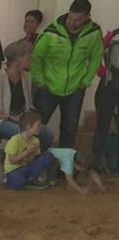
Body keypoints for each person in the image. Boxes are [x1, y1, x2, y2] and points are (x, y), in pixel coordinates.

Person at [32, 0, 103, 150]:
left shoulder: (93, 32)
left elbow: (96, 56)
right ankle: (33, 162)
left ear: (87, 17)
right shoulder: (52, 31)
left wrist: (86, 80)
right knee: (36, 128)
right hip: (48, 88)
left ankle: (64, 168)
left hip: (75, 90)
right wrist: (39, 80)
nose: (72, 22)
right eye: (71, 18)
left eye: (77, 19)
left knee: (69, 130)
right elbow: (36, 57)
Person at [0, 40, 53, 149]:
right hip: (1, 120)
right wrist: (10, 117)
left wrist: (32, 117)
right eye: (29, 57)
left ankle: (38, 161)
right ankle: (24, 162)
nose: (32, 59)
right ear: (18, 58)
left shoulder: (26, 77)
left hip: (22, 119)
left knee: (47, 134)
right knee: (27, 135)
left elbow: (28, 105)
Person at [3, 110, 57, 190]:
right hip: (13, 170)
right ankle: (10, 180)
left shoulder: (35, 140)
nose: (40, 128)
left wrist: (31, 153)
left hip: (26, 168)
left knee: (48, 156)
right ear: (28, 126)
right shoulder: (15, 140)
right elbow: (12, 160)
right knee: (18, 183)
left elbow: (31, 161)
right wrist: (27, 152)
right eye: (38, 125)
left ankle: (31, 179)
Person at [92, 26, 119, 174]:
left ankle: (113, 165)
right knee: (102, 128)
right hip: (107, 89)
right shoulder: (113, 37)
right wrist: (100, 68)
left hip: (108, 89)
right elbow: (96, 50)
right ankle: (98, 165)